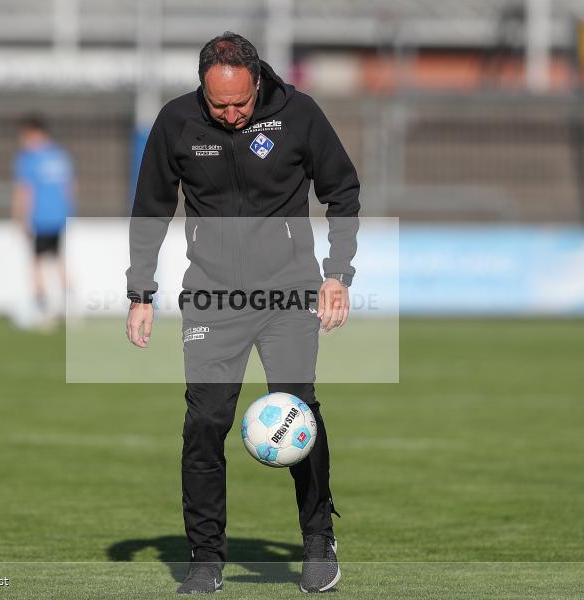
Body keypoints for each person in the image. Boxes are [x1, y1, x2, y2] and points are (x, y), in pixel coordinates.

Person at [125, 32, 359, 594]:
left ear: (258, 81)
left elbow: (343, 192)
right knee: (204, 424)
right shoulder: (177, 121)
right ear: (203, 87)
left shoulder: (299, 114)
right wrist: (140, 293)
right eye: (218, 104)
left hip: (289, 293)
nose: (230, 114)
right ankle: (205, 559)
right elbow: (150, 208)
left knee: (298, 414)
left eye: (241, 103)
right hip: (212, 296)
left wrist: (337, 275)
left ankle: (318, 541)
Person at [12, 114, 76, 317]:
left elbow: (25, 191)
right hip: (60, 217)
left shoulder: (29, 159)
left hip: (40, 218)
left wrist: (20, 218)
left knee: (36, 263)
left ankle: (42, 308)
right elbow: (70, 188)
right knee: (58, 260)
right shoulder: (61, 155)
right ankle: (71, 304)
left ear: (35, 133)